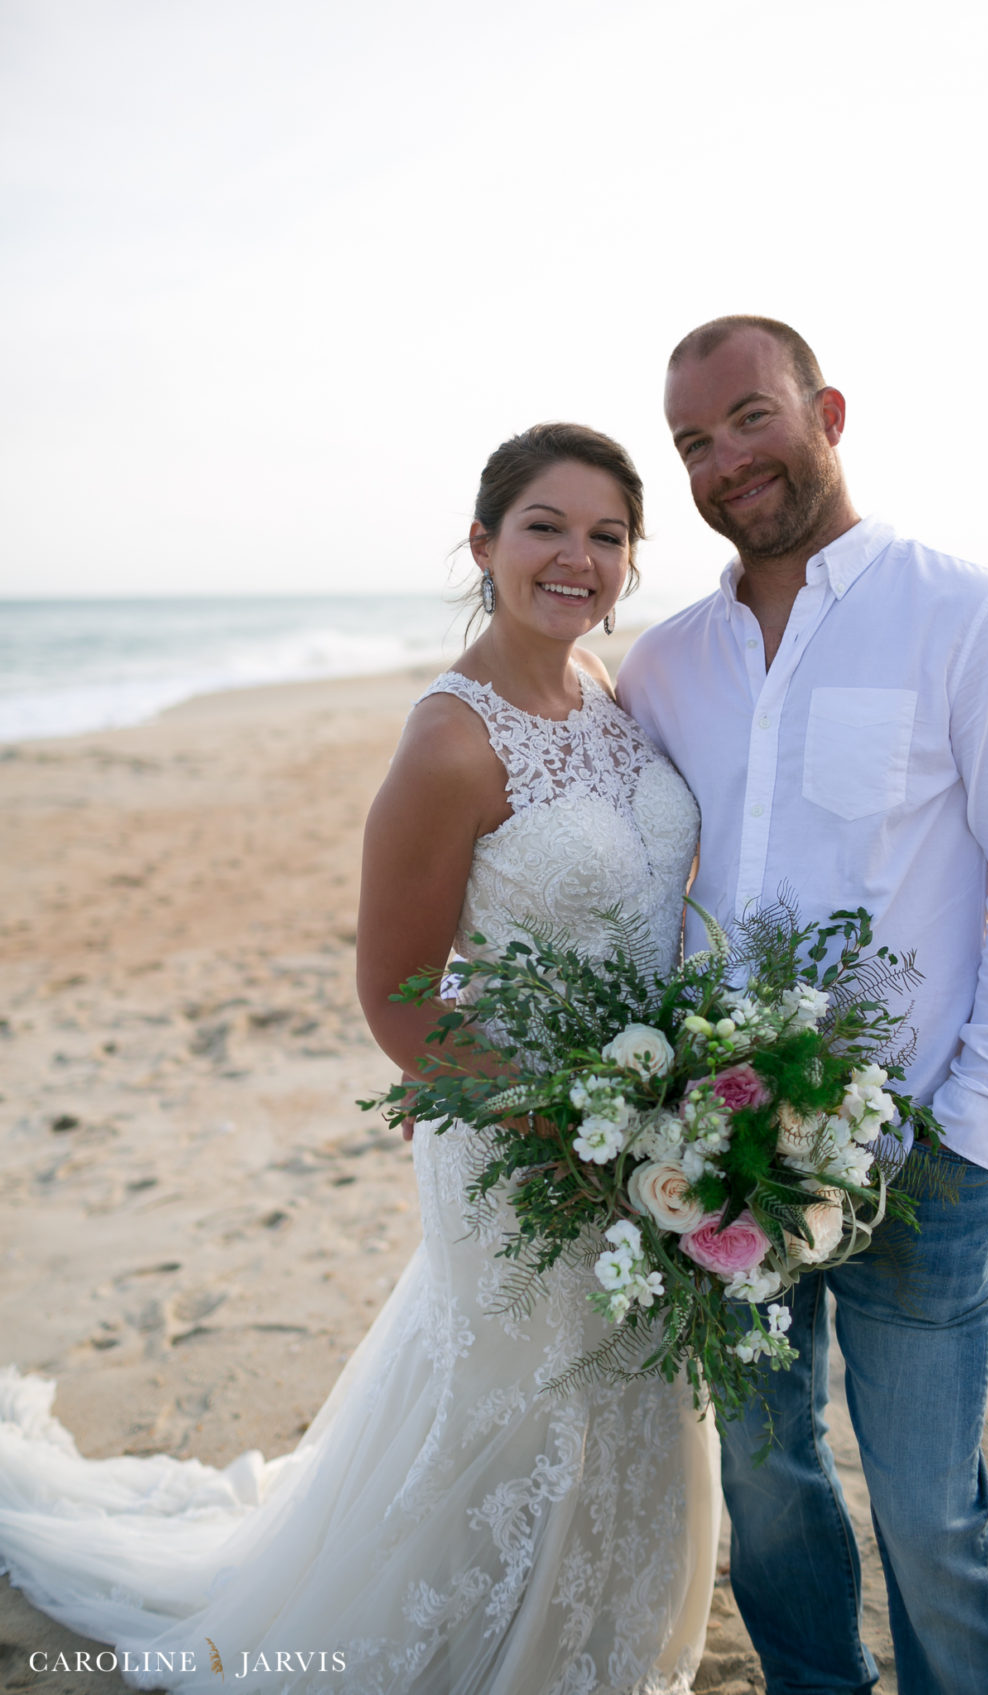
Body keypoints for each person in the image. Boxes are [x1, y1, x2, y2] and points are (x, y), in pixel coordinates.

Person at [0, 422, 721, 1695]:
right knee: (528, 1411)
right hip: (523, 1140)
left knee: (636, 1407)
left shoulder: (609, 693)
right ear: (483, 542)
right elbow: (395, 999)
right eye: (545, 527)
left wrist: (673, 1096)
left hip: (647, 1128)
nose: (578, 557)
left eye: (607, 535)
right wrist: (560, 1124)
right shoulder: (450, 740)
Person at [617, 315, 988, 1695]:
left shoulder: (970, 615)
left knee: (933, 1514)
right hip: (715, 1156)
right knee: (768, 1491)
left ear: (826, 411)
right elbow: (648, 892)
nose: (724, 462)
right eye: (693, 443)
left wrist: (975, 1118)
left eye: (748, 418)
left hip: (920, 1152)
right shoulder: (668, 664)